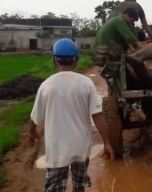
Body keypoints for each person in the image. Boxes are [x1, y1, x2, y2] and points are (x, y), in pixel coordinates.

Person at [28, 38, 114, 192]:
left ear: (54, 61)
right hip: (80, 147)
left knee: (54, 188)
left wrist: (32, 132)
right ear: (76, 61)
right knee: (79, 185)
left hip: (56, 149)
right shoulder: (86, 83)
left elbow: (35, 117)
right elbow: (98, 116)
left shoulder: (46, 86)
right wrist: (106, 142)